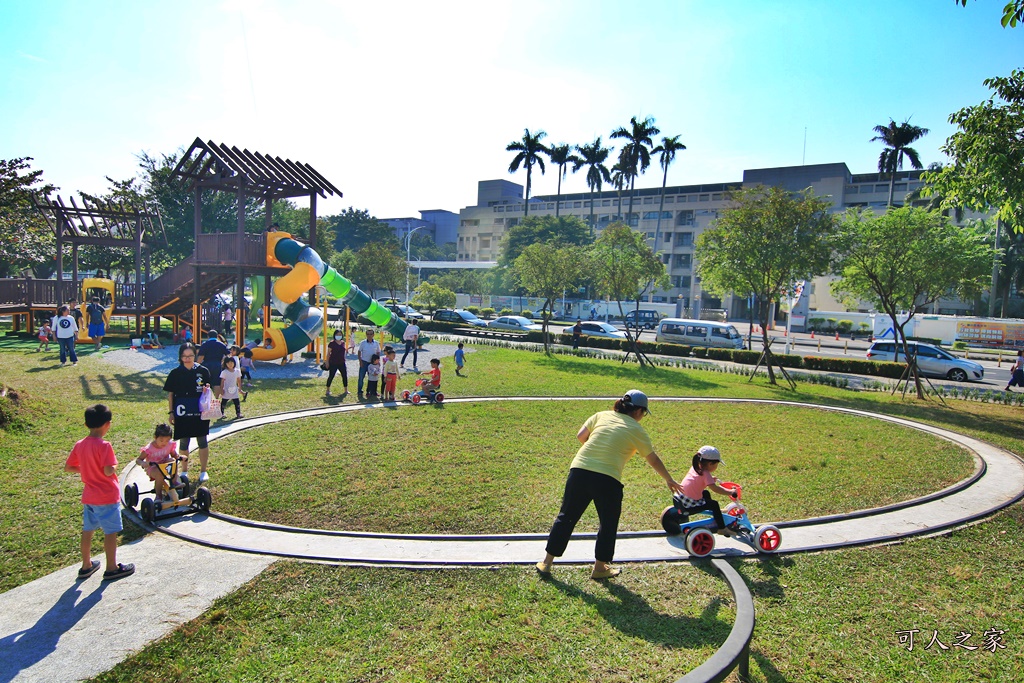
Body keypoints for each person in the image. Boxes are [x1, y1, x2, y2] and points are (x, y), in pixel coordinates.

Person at [536, 390, 684, 580]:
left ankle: (546, 563)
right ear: (639, 411)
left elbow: (581, 436)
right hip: (608, 479)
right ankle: (599, 568)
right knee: (608, 523)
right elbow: (652, 458)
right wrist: (669, 479)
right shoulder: (637, 430)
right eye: (644, 413)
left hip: (579, 470)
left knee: (566, 517)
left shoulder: (601, 415)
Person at [64, 404, 135, 581]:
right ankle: (111, 568)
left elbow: (69, 467)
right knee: (110, 532)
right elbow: (108, 471)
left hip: (89, 496)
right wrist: (111, 467)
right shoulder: (104, 446)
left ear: (86, 424)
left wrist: (87, 469)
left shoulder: (80, 445)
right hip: (107, 496)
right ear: (107, 424)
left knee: (87, 530)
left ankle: (86, 565)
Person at [164, 344, 213, 483]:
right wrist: (171, 412)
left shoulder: (203, 371)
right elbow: (171, 394)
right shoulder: (175, 373)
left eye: (190, 356)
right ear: (180, 357)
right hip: (182, 411)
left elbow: (208, 391)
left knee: (202, 440)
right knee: (184, 441)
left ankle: (203, 470)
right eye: (184, 356)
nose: (187, 359)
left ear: (195, 355)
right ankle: (184, 470)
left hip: (199, 410)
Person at [135, 423, 184, 504]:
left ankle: (174, 482)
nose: (164, 443)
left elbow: (174, 455)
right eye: (161, 440)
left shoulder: (169, 445)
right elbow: (138, 460)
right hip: (153, 468)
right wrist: (143, 463)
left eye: (167, 440)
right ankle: (159, 495)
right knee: (159, 473)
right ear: (155, 437)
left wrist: (180, 457)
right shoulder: (149, 448)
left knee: (172, 460)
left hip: (164, 465)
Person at [196, 329, 229, 396]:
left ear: (208, 336)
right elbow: (228, 355)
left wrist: (197, 365)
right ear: (217, 336)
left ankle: (205, 398)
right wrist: (223, 361)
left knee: (205, 382)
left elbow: (201, 357)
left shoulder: (205, 344)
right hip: (217, 364)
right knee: (216, 383)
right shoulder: (221, 344)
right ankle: (217, 399)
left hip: (206, 364)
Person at [356, 329, 381, 401]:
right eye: (368, 334)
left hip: (373, 363)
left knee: (373, 378)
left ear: (373, 335)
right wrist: (360, 361)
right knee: (361, 377)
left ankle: (372, 391)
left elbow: (378, 352)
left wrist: (377, 361)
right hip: (364, 362)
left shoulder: (376, 343)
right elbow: (359, 352)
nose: (369, 336)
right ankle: (359, 391)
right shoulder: (363, 343)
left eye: (371, 334)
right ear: (366, 335)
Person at [325, 329, 349, 397]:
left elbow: (343, 352)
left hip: (342, 362)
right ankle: (328, 390)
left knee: (344, 375)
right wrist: (327, 362)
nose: (339, 336)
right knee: (331, 376)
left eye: (340, 334)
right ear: (334, 335)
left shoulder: (343, 343)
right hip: (333, 362)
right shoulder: (332, 343)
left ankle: (346, 390)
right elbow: (328, 353)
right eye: (337, 334)